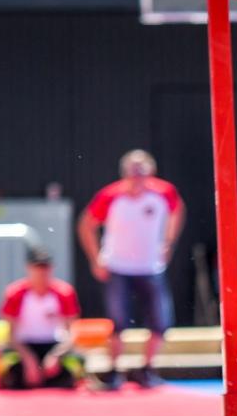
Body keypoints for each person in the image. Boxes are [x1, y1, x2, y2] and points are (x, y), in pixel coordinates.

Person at [77, 149, 184, 389]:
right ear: (124, 173)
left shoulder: (163, 193)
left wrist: (167, 243)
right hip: (118, 266)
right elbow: (86, 224)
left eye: (141, 171)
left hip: (150, 266)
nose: (136, 177)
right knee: (118, 321)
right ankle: (114, 370)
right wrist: (96, 259)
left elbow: (178, 211)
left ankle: (146, 369)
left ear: (151, 173)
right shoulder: (111, 196)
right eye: (132, 172)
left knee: (160, 321)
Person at [0, 249, 84, 390]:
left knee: (74, 367)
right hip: (25, 346)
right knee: (10, 372)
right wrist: (28, 360)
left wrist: (55, 356)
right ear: (28, 268)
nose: (41, 272)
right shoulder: (15, 293)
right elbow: (10, 334)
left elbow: (72, 332)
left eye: (45, 267)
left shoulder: (64, 292)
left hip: (54, 345)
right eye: (37, 267)